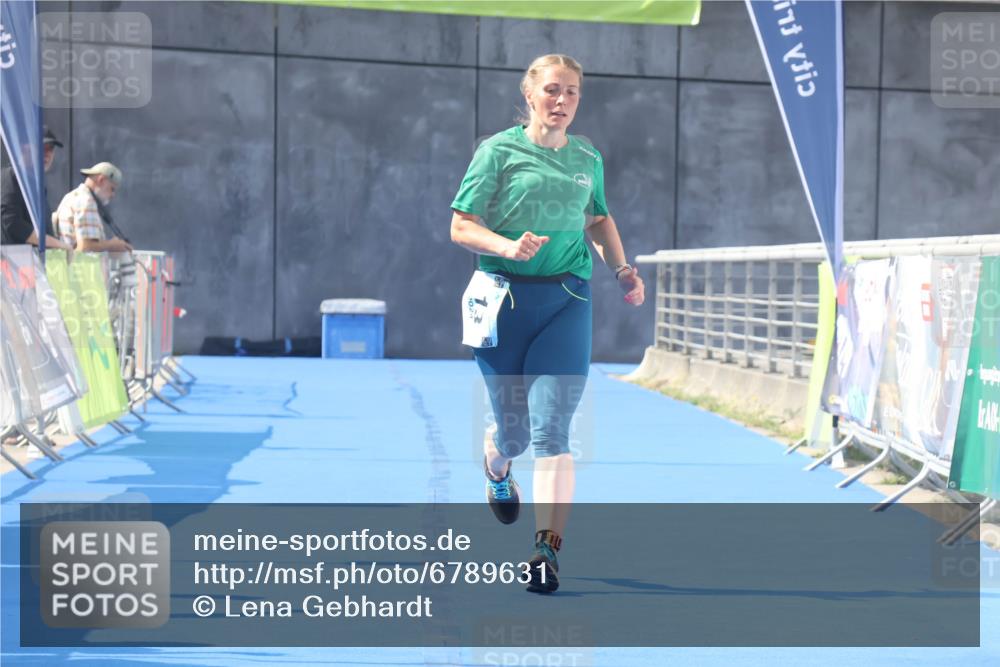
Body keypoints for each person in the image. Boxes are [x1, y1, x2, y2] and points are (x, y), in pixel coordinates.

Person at [450, 54, 644, 594]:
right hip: (503, 302)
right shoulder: (498, 152)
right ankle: (496, 466)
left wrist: (622, 268)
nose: (562, 102)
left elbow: (598, 217)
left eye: (573, 93)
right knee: (514, 433)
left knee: (553, 431)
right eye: (553, 91)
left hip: (566, 298)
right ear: (530, 95)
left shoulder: (587, 157)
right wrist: (506, 245)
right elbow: (461, 225)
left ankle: (545, 553)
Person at [0, 127, 73, 250]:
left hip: (34, 264)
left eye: (51, 149)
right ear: (24, 148)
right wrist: (59, 244)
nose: (48, 153)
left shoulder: (37, 185)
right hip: (10, 263)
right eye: (43, 147)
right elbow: (12, 223)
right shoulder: (10, 177)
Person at [54, 161, 132, 253]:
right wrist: (113, 245)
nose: (113, 195)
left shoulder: (72, 196)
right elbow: (85, 247)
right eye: (112, 189)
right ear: (101, 180)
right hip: (79, 266)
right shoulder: (87, 201)